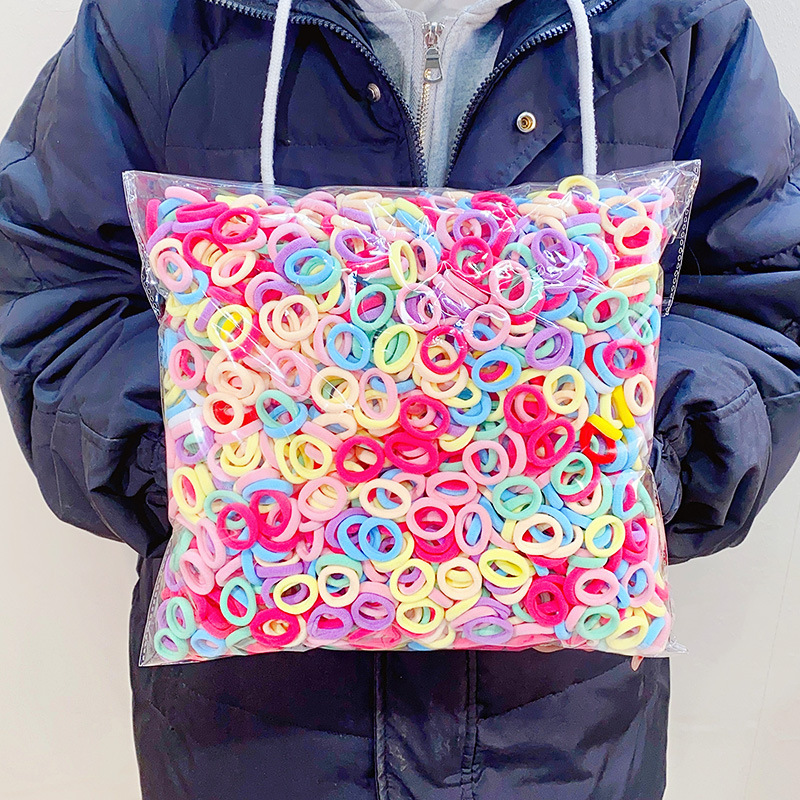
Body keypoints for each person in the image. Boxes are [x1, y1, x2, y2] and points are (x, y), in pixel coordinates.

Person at [0, 0, 798, 797]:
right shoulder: (159, 20)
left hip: (564, 740)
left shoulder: (679, 22)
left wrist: (623, 470)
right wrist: (205, 468)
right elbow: (51, 285)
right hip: (251, 738)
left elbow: (767, 296)